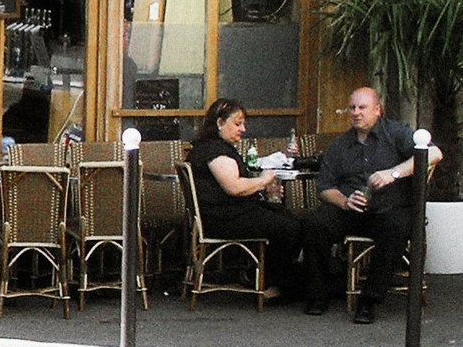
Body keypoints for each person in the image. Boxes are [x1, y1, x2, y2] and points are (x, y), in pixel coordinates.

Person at [303, 86, 442, 323]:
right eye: (352, 108)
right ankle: (317, 294)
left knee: (396, 227)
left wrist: (394, 173)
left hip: (390, 209)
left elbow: (434, 153)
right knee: (315, 222)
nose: (356, 113)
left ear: (378, 110)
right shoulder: (340, 144)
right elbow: (325, 188)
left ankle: (369, 300)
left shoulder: (395, 133)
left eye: (362, 107)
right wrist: (345, 201)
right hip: (352, 210)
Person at [185, 99, 305, 303]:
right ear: (220, 123)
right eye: (237, 124)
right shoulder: (215, 152)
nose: (243, 129)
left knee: (286, 217)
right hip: (224, 219)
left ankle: (265, 276)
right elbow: (233, 187)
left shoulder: (208, 147)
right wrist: (263, 181)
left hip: (223, 213)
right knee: (288, 228)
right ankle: (267, 282)